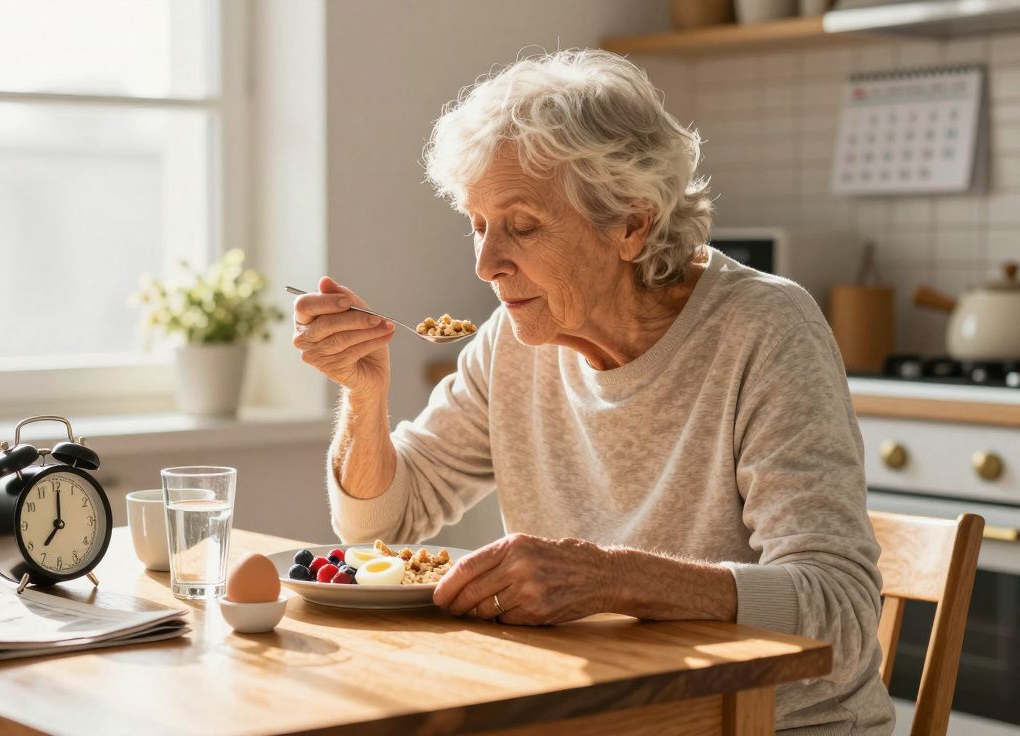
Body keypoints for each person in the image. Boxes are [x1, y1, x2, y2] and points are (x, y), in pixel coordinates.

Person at [290, 49, 893, 734]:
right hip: (607, 715)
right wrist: (365, 400)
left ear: (631, 224)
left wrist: (611, 578)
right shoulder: (513, 340)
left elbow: (840, 614)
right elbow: (380, 528)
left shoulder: (764, 329)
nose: (486, 265)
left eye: (521, 226)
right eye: (477, 224)